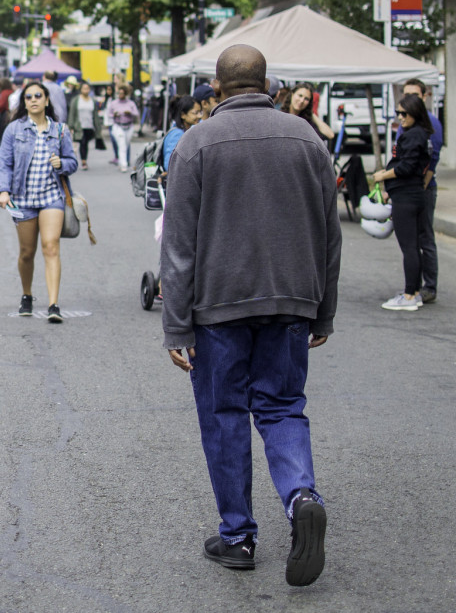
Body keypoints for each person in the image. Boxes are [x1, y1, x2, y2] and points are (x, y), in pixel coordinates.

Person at [162, 44, 339, 587]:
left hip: (219, 306)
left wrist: (176, 324)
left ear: (216, 86)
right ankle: (301, 496)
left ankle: (238, 535)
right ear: (270, 84)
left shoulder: (195, 144)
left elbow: (178, 247)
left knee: (225, 415)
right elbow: (329, 235)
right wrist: (323, 312)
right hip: (290, 301)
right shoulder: (307, 139)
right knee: (283, 407)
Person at [0, 82, 78, 322]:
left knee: (51, 246)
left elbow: (72, 162)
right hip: (23, 199)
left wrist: (62, 163)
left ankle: (53, 304)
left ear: (47, 100)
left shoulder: (60, 130)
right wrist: (3, 191)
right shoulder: (14, 130)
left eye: (38, 96)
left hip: (52, 196)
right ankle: (27, 295)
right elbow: (4, 163)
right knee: (26, 253)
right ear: (24, 102)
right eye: (28, 97)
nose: (33, 100)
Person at [373, 93, 434, 312]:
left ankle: (409, 296)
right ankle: (414, 292)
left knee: (409, 247)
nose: (400, 117)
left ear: (415, 112)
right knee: (412, 247)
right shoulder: (418, 134)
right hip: (412, 195)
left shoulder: (413, 135)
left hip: (407, 197)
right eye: (398, 113)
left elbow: (406, 167)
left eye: (404, 113)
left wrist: (383, 176)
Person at [397, 79, 442, 303]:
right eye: (406, 95)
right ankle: (413, 288)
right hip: (407, 190)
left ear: (424, 97)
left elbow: (431, 160)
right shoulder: (405, 121)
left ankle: (429, 286)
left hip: (421, 189)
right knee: (412, 241)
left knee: (424, 238)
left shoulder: (429, 123)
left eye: (413, 95)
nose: (408, 100)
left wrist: (419, 188)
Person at [105, 82, 140, 171]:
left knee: (126, 144)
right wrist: (114, 115)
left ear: (125, 94)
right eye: (119, 93)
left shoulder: (130, 103)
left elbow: (136, 113)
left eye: (122, 93)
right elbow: (109, 114)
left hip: (129, 126)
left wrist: (129, 113)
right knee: (122, 145)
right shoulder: (114, 103)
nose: (120, 95)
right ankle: (123, 164)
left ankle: (122, 161)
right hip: (118, 126)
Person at [69, 81, 103, 170]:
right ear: (81, 89)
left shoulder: (92, 100)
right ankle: (84, 161)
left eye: (87, 88)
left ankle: (84, 159)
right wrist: (71, 126)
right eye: (84, 88)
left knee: (86, 143)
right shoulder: (76, 100)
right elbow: (72, 113)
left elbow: (95, 114)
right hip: (79, 126)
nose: (86, 90)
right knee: (82, 142)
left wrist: (97, 127)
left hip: (89, 126)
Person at [161, 95, 201, 172]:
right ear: (183, 115)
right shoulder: (177, 134)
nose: (199, 116)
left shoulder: (183, 131)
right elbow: (169, 164)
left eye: (200, 112)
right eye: (195, 113)